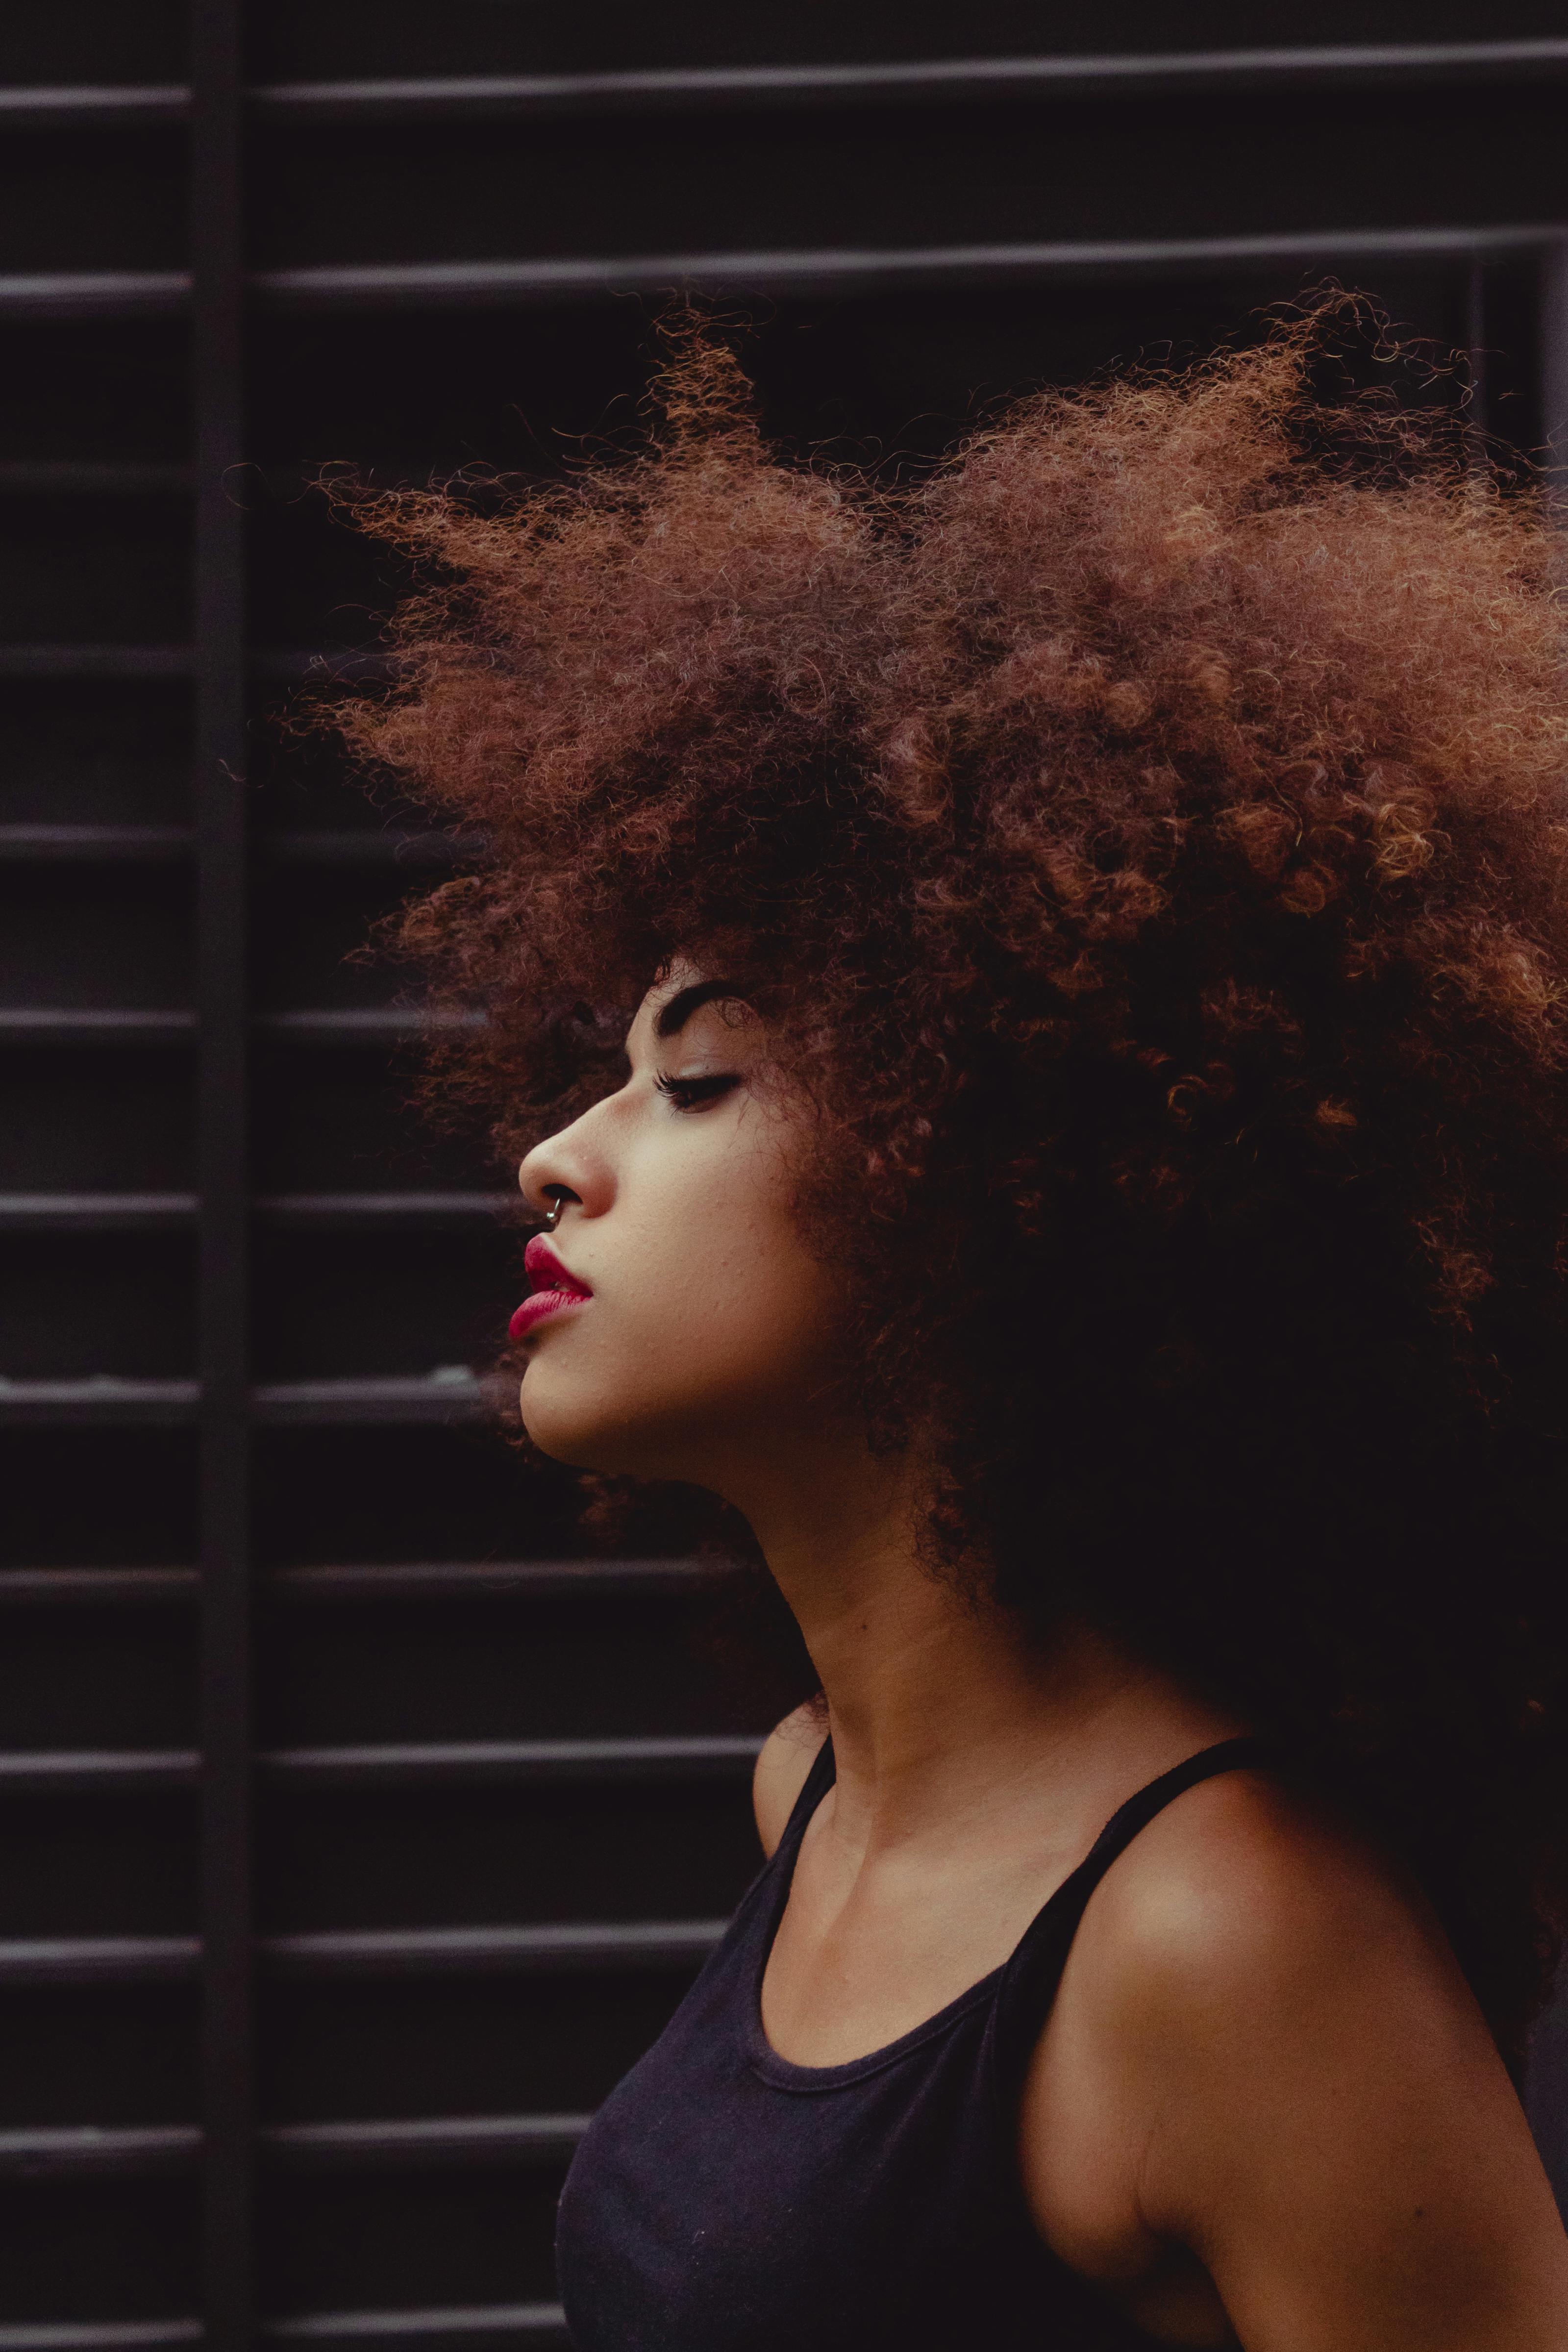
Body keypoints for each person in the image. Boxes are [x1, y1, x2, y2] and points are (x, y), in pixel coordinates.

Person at [327, 313, 1568, 2347]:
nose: (558, 1156)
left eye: (696, 1075)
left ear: (989, 1164)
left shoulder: (1223, 1930)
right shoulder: (808, 1795)